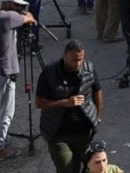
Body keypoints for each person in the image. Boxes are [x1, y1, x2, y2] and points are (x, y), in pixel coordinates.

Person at [35, 39, 103, 173]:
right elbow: (39, 102)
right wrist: (66, 103)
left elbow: (97, 92)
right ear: (64, 55)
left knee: (84, 167)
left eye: (80, 60)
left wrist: (98, 117)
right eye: (74, 60)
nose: (78, 64)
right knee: (66, 169)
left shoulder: (89, 69)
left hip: (84, 133)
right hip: (58, 134)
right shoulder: (49, 73)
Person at [0, 0, 37, 161]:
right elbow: (29, 17)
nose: (19, 9)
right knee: (6, 113)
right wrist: (24, 12)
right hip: (4, 71)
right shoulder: (8, 17)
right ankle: (0, 148)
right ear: (8, 5)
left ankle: (2, 139)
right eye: (17, 6)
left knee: (0, 109)